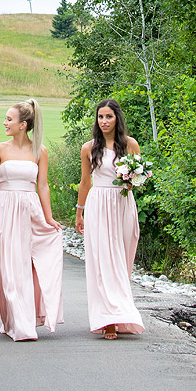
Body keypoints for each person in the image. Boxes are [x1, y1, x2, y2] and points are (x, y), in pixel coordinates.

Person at [0, 99, 64, 341]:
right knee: (8, 267)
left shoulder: (39, 151)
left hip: (30, 209)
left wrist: (49, 218)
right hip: (4, 208)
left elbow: (43, 185)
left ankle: (26, 318)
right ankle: (15, 322)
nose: (4, 123)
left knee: (27, 266)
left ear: (23, 124)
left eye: (9, 119)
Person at [74, 98, 145, 339]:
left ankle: (121, 312)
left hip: (123, 203)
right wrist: (79, 211)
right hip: (99, 203)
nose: (104, 121)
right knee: (104, 260)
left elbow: (138, 178)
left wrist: (131, 179)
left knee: (122, 258)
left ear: (117, 119)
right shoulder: (89, 148)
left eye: (109, 117)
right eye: (100, 117)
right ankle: (108, 320)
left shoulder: (130, 145)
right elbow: (85, 182)